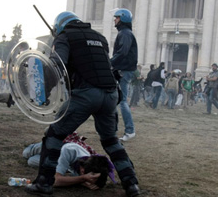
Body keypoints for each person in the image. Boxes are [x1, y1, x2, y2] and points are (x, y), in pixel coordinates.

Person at [25, 11, 140, 197]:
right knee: (111, 141)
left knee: (54, 136)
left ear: (60, 26)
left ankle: (44, 183)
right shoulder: (100, 38)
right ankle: (131, 183)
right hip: (110, 94)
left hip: (86, 94)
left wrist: (43, 92)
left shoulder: (64, 37)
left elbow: (57, 65)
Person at [23, 132, 115, 191]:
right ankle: (39, 143)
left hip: (59, 159)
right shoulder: (70, 150)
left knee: (31, 161)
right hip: (56, 146)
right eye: (89, 178)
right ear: (82, 171)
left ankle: (61, 167)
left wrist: (85, 181)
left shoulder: (92, 166)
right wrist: (82, 179)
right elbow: (54, 181)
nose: (89, 179)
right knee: (26, 153)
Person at [110, 8, 137, 142]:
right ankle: (113, 129)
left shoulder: (125, 33)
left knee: (122, 101)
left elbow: (123, 52)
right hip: (123, 70)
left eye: (116, 17)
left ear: (122, 18)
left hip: (123, 70)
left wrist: (110, 62)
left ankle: (130, 130)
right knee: (117, 99)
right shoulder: (125, 32)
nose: (114, 19)